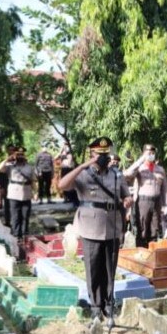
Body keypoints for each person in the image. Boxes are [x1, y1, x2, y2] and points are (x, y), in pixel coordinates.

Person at [58, 136, 132, 320]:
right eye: (99, 154)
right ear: (91, 153)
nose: (103, 157)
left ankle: (108, 304)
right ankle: (96, 306)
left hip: (112, 225)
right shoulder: (83, 174)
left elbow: (126, 194)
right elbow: (62, 185)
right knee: (93, 268)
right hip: (90, 226)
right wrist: (83, 165)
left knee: (109, 269)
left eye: (105, 154)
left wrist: (128, 200)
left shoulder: (116, 174)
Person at [124, 144, 167, 247]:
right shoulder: (140, 168)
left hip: (156, 201)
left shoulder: (160, 169)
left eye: (153, 153)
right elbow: (127, 174)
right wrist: (141, 160)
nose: (151, 155)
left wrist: (166, 205)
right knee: (142, 228)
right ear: (144, 153)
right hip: (143, 201)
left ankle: (152, 252)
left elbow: (164, 189)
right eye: (149, 153)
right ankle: (141, 252)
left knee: (155, 228)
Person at [0, 147, 36, 242]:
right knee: (15, 217)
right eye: (18, 154)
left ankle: (24, 235)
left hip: (26, 193)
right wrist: (8, 159)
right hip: (14, 194)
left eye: (21, 154)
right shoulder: (10, 166)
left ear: (24, 155)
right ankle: (16, 236)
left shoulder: (29, 167)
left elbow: (33, 181)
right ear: (15, 155)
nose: (20, 156)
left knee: (25, 216)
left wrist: (35, 192)